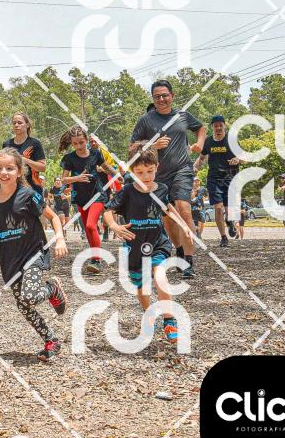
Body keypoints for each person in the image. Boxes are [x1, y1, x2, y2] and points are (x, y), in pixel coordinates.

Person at [0, 149, 68, 361]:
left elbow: (53, 217)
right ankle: (51, 341)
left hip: (33, 254)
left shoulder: (28, 195)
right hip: (10, 261)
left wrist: (60, 239)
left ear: (19, 171)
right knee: (24, 306)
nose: (4, 172)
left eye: (9, 168)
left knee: (29, 296)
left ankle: (52, 288)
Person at [102, 141, 181, 343]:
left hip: (158, 243)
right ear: (131, 171)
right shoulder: (127, 191)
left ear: (157, 167)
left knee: (160, 275)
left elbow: (168, 209)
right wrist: (114, 226)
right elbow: (108, 211)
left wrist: (185, 228)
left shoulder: (162, 189)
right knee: (143, 286)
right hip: (134, 248)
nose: (145, 176)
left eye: (150, 171)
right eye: (140, 172)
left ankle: (169, 320)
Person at [130, 80, 205, 278]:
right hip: (159, 175)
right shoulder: (146, 120)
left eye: (164, 95)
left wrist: (199, 143)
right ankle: (179, 250)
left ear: (172, 95)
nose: (161, 99)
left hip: (182, 169)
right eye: (157, 96)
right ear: (153, 99)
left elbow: (200, 128)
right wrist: (151, 145)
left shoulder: (183, 116)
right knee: (168, 219)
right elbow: (132, 147)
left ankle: (188, 260)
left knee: (183, 209)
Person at [59, 125, 116, 274]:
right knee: (88, 229)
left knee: (91, 225)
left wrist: (118, 176)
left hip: (97, 195)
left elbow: (106, 167)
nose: (78, 146)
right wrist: (77, 178)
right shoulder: (69, 158)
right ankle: (94, 258)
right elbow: (63, 179)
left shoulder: (96, 153)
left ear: (86, 140)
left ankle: (96, 260)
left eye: (81, 142)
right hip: (80, 197)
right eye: (75, 143)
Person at [193, 115, 242, 248]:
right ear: (212, 127)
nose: (218, 128)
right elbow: (201, 157)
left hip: (230, 178)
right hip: (214, 178)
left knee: (228, 209)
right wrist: (195, 167)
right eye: (216, 126)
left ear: (224, 126)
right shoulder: (208, 141)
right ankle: (223, 237)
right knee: (218, 208)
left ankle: (230, 221)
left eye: (220, 125)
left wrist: (237, 160)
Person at [1, 112, 46, 198]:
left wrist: (25, 160)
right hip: (12, 190)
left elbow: (42, 167)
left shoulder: (35, 143)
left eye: (20, 123)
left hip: (33, 189)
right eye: (14, 123)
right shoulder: (6, 144)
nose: (16, 125)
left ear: (27, 125)